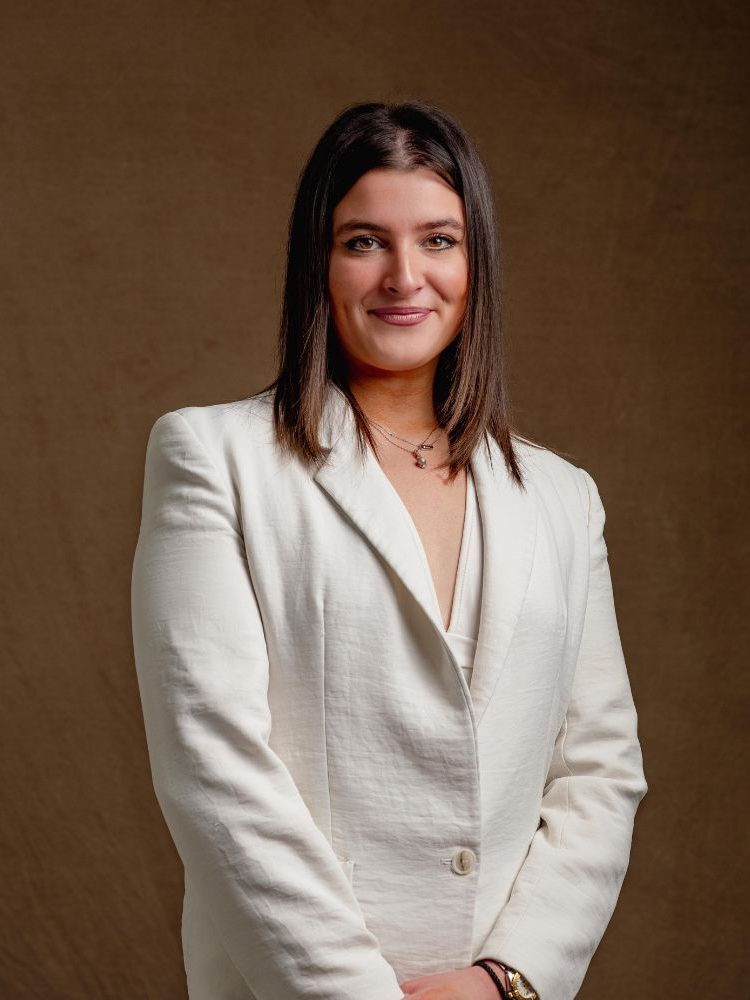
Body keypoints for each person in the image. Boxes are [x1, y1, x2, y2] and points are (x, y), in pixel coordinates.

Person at [130, 100, 647, 1000]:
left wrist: (507, 979)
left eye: (439, 240)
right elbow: (212, 765)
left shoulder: (565, 497)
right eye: (364, 241)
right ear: (318, 263)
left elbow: (600, 771)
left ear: (475, 263)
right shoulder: (213, 457)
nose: (405, 277)